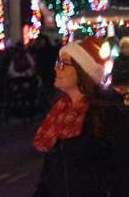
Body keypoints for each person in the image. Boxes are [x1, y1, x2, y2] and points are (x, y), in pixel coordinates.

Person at [32, 36, 129, 197]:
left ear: (82, 70)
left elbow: (123, 170)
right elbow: (49, 174)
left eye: (63, 64)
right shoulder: (58, 113)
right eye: (57, 63)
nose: (57, 68)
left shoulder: (106, 114)